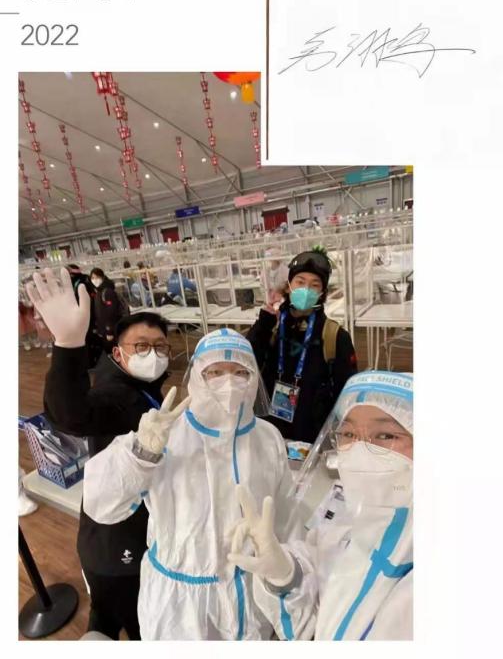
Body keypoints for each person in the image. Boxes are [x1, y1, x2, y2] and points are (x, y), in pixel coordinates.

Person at [82, 328, 299, 640]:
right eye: (215, 372)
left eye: (240, 372)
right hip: (179, 603)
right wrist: (140, 454)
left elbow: (286, 515)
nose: (229, 382)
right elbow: (100, 504)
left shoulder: (267, 438)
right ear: (197, 375)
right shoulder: (165, 434)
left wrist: (286, 574)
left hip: (251, 593)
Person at [26, 267, 173, 640]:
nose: (153, 354)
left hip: (116, 532)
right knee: (137, 621)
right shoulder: (118, 394)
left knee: (110, 614)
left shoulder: (142, 389)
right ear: (118, 354)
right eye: (141, 346)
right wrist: (68, 344)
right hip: (118, 544)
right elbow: (70, 415)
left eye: (160, 347)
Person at [228, 371, 413, 640]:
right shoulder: (344, 532)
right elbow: (311, 622)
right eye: (348, 433)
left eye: (385, 435)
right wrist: (285, 575)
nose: (360, 449)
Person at [247, 248, 357, 444]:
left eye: (315, 285)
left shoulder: (335, 336)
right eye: (300, 282)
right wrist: (264, 321)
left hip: (311, 436)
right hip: (268, 431)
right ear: (289, 286)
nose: (306, 289)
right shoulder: (272, 325)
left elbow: (347, 391)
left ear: (322, 293)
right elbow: (247, 362)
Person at [66, 264, 102, 368]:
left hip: (88, 316)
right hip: (85, 316)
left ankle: (92, 362)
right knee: (88, 339)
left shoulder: (82, 283)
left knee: (89, 339)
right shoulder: (83, 280)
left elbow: (90, 301)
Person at [89, 268, 126, 353]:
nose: (95, 280)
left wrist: (110, 331)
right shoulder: (98, 292)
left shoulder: (107, 292)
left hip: (110, 330)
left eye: (97, 277)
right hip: (104, 330)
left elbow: (111, 312)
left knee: (115, 351)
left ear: (102, 277)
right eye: (93, 278)